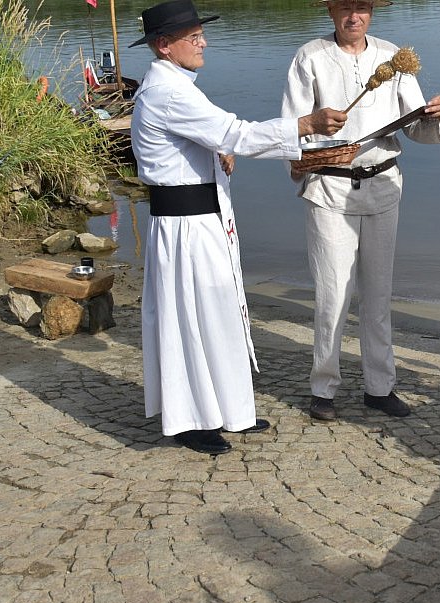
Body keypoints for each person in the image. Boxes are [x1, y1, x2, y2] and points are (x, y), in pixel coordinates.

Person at [129, 0, 348, 455]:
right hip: (185, 227)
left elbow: (209, 140)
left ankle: (231, 409)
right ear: (164, 46)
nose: (203, 42)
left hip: (202, 220)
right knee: (191, 318)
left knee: (219, 314)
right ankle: (191, 419)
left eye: (200, 33)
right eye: (193, 37)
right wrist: (304, 124)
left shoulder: (176, 85)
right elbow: (237, 134)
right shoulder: (169, 92)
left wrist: (216, 152)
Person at [281, 0, 440, 421]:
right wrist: (313, 126)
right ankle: (324, 387)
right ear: (329, 11)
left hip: (382, 185)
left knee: (378, 294)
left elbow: (415, 126)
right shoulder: (310, 57)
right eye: (345, 8)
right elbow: (289, 126)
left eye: (361, 8)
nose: (353, 17)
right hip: (329, 188)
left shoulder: (393, 58)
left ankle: (380, 386)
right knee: (332, 294)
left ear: (371, 13)